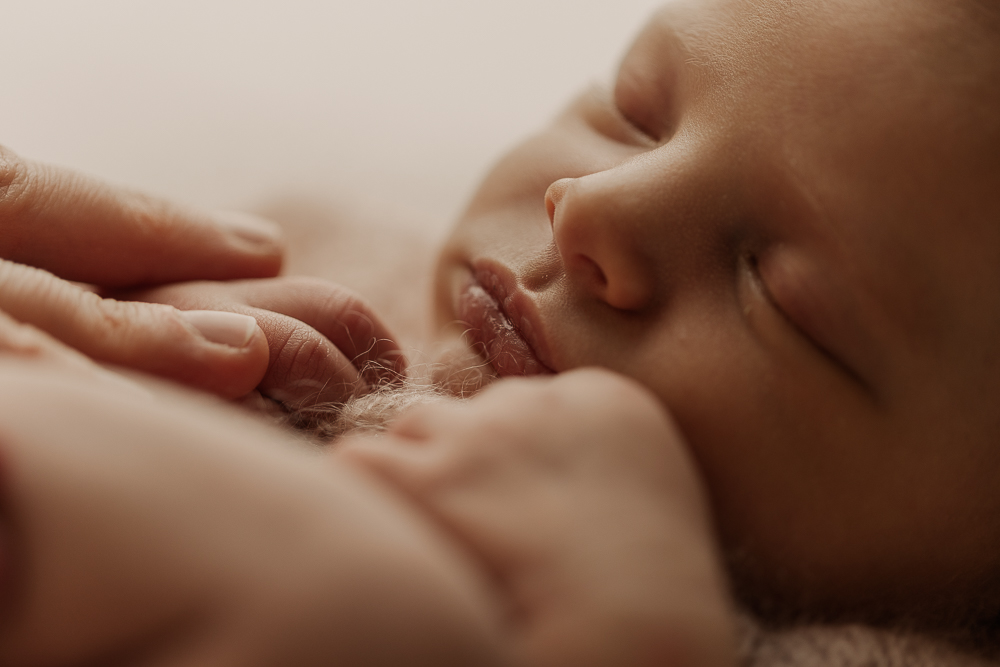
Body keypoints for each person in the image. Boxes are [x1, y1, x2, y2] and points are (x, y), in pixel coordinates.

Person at [1, 0, 1000, 662]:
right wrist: (158, 354)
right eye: (632, 114)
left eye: (779, 296)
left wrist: (632, 624)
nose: (591, 207)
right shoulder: (307, 268)